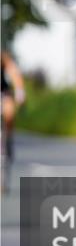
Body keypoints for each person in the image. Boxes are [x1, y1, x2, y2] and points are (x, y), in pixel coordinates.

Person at [1, 50, 26, 193]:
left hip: (3, 94)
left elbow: (14, 73)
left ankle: (8, 140)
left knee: (9, 112)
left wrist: (20, 93)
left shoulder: (3, 58)